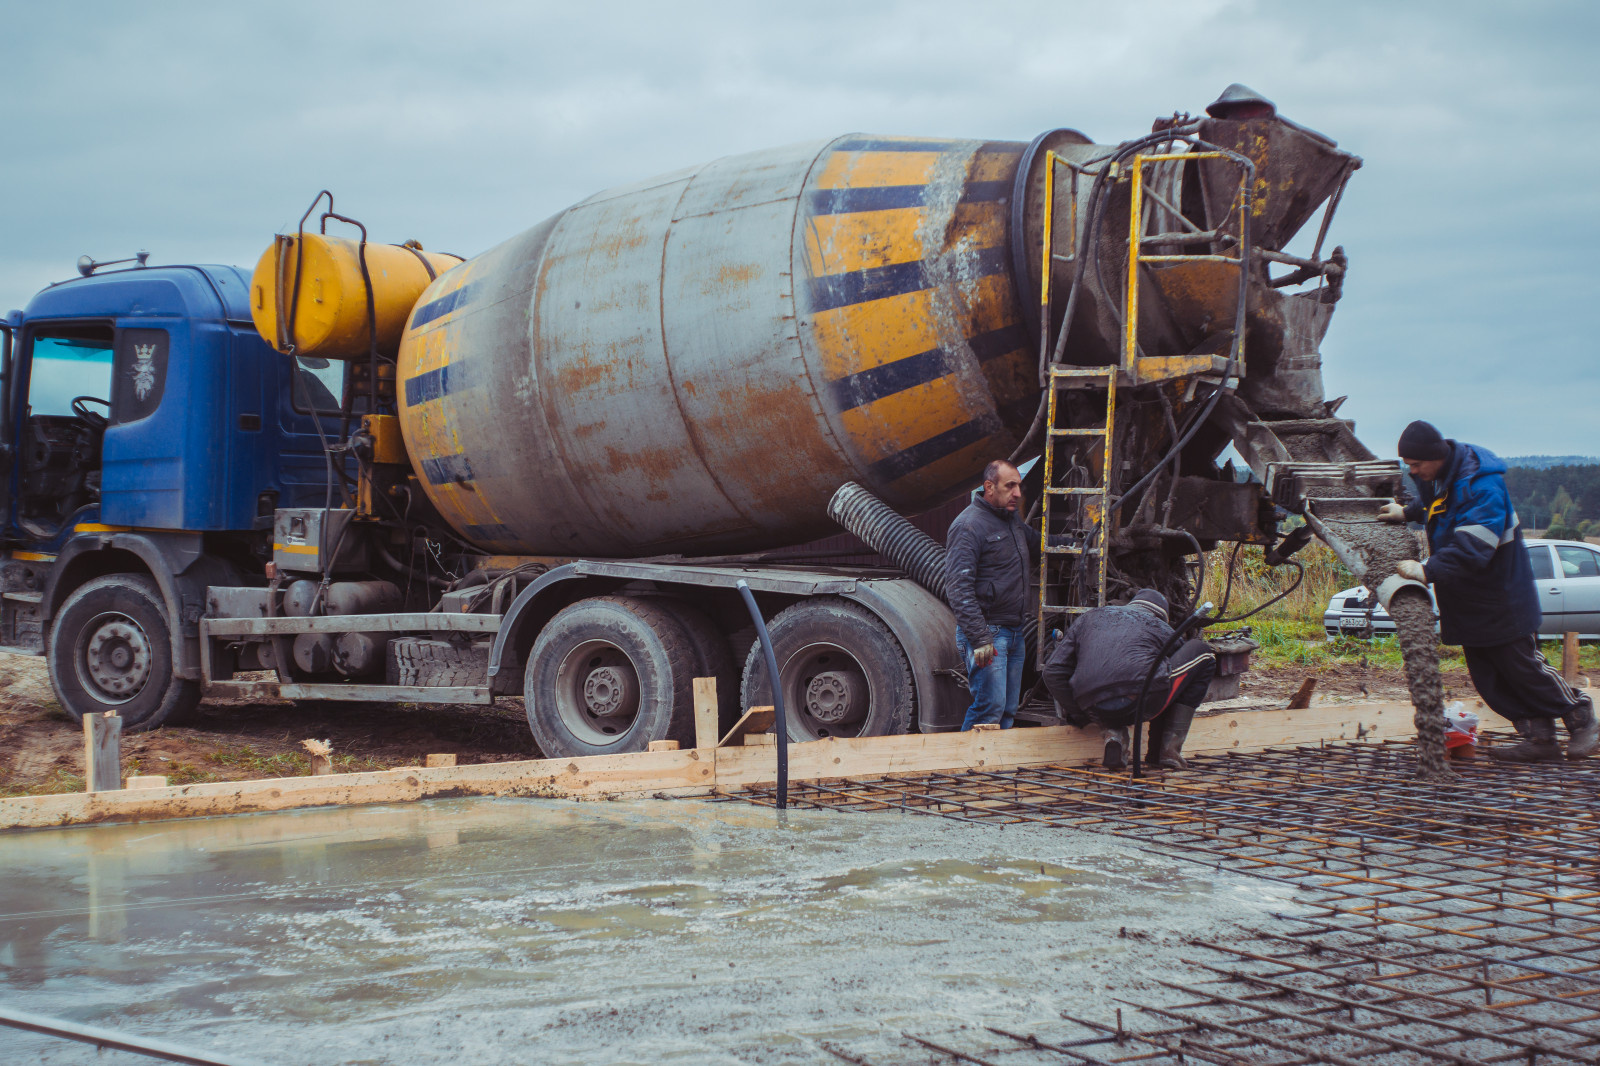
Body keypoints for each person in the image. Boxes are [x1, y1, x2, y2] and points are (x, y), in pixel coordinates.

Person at [1379, 420, 1598, 762]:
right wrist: (1408, 512)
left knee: (1522, 668)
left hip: (1500, 595)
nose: (1412, 470)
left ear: (1436, 456)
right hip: (1467, 598)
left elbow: (1474, 544)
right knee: (1490, 678)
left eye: (1416, 464)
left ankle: (1580, 716)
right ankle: (1539, 738)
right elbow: (1444, 509)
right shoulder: (1441, 478)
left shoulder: (1483, 486)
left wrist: (1427, 570)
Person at [1040, 590, 1216, 769]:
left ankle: (1112, 733)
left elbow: (1052, 671)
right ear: (1162, 615)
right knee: (1202, 654)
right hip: (1141, 702)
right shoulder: (1161, 627)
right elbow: (1170, 675)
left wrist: (1082, 714)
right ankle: (1167, 751)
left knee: (1116, 689)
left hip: (1092, 704)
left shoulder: (1089, 618)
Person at [945, 460, 1029, 730]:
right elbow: (958, 587)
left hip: (1014, 631)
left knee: (1006, 710)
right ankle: (967, 770)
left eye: (1019, 486)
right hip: (989, 635)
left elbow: (1037, 543)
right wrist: (980, 638)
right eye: (1010, 486)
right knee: (988, 709)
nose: (1017, 493)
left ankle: (994, 769)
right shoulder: (969, 525)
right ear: (989, 487)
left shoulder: (1010, 520)